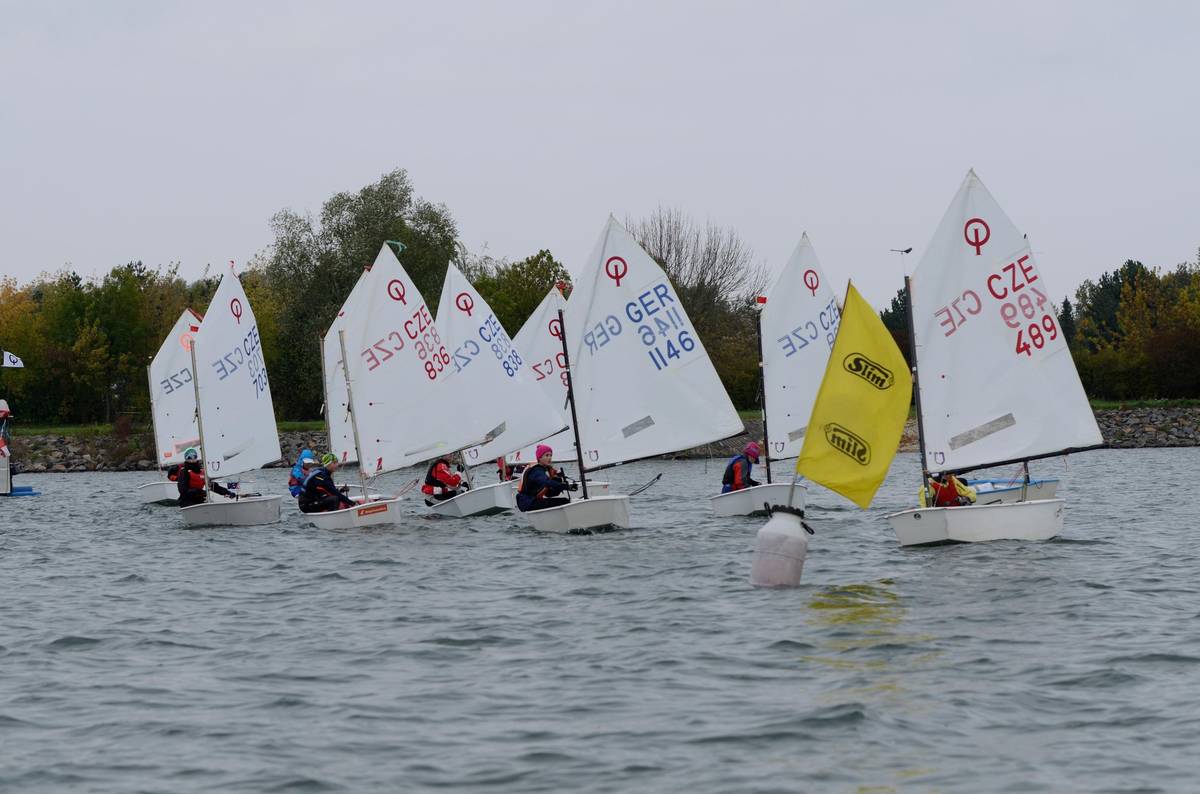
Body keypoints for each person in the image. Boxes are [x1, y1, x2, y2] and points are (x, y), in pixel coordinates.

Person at [516, 444, 577, 512]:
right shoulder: (536, 471)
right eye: (546, 455)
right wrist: (566, 486)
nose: (549, 458)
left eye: (551, 455)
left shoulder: (545, 471)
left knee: (564, 500)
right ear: (539, 458)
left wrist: (559, 482)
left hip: (532, 501)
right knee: (564, 501)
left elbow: (549, 494)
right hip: (527, 502)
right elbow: (546, 482)